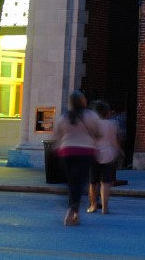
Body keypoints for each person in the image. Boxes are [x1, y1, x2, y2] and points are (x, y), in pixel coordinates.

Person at [51, 90, 102, 225]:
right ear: (83, 101)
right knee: (79, 183)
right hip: (85, 152)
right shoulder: (91, 116)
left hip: (67, 152)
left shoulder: (64, 117)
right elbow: (99, 133)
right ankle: (72, 210)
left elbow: (57, 135)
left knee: (72, 183)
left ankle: (74, 213)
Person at [87, 100, 123, 215]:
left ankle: (93, 205)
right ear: (106, 112)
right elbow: (115, 141)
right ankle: (105, 207)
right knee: (106, 182)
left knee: (93, 182)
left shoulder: (92, 125)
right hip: (109, 154)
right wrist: (119, 151)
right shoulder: (113, 124)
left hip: (94, 154)